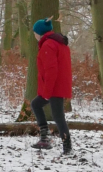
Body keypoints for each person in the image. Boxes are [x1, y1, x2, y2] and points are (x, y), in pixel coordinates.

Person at [31, 18, 73, 154]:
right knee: (37, 105)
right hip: (59, 85)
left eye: (35, 32)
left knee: (58, 116)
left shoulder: (48, 45)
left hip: (55, 86)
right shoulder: (60, 43)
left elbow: (51, 70)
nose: (34, 35)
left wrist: (47, 92)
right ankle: (47, 138)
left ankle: (66, 147)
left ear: (40, 33)